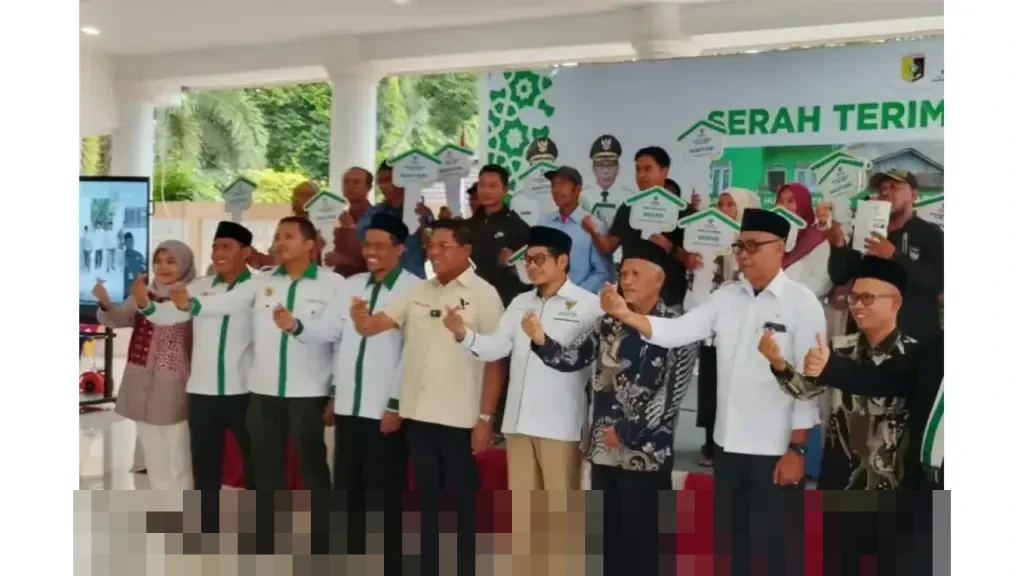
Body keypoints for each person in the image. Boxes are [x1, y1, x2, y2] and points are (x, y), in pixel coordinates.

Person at [603, 208, 824, 576]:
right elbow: (678, 331)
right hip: (729, 445)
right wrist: (627, 315)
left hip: (774, 450)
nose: (744, 255)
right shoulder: (727, 296)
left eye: (754, 246)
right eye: (740, 246)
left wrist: (797, 449)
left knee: (773, 551)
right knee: (732, 548)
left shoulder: (802, 303)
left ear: (780, 247)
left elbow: (809, 384)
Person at [528, 240, 696, 576]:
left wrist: (626, 432)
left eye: (635, 274)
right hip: (604, 453)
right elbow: (572, 358)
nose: (627, 280)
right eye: (623, 273)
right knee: (605, 544)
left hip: (646, 456)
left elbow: (669, 398)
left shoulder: (679, 328)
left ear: (659, 280)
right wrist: (540, 339)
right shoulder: (607, 323)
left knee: (644, 548)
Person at [348, 218, 504, 576]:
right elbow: (372, 326)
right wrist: (360, 318)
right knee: (427, 499)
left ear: (466, 250)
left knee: (462, 501)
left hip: (461, 418)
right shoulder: (419, 290)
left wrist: (485, 418)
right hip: (418, 415)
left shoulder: (484, 294)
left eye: (443, 246)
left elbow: (496, 360)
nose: (434, 253)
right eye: (431, 246)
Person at [277, 212, 418, 566]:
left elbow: (412, 354)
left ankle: (389, 559)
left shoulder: (414, 290)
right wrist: (295, 326)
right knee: (347, 485)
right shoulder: (351, 285)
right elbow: (331, 333)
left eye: (380, 245)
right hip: (349, 406)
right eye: (367, 244)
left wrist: (396, 404)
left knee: (383, 488)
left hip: (384, 408)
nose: (371, 252)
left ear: (399, 249)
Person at [170, 216, 344, 490]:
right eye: (278, 237)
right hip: (263, 393)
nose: (280, 243)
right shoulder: (262, 281)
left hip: (308, 391)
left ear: (309, 244)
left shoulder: (333, 283)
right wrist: (191, 304)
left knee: (311, 466)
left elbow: (335, 333)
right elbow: (229, 301)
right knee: (265, 468)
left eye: (288, 237)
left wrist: (297, 327)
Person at [768, 256, 918, 490]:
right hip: (838, 477)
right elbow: (806, 392)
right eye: (853, 297)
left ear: (895, 303)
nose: (857, 306)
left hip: (890, 482)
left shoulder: (914, 355)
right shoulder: (840, 348)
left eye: (867, 298)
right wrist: (780, 366)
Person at [142, 222, 257, 494]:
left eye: (226, 247)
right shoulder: (200, 286)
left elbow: (231, 303)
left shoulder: (258, 285)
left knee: (255, 461)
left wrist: (189, 304)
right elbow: (171, 315)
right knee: (204, 464)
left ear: (246, 252)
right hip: (202, 391)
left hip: (244, 390)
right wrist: (145, 305)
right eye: (215, 247)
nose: (218, 253)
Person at [93, 240, 197, 490]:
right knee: (154, 457)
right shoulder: (144, 293)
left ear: (185, 264)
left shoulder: (194, 296)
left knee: (179, 458)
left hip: (176, 385)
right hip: (140, 383)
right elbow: (120, 319)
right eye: (158, 261)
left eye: (171, 261)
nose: (163, 267)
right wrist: (106, 303)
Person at [687, 187, 762, 467]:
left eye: (731, 205)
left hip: (742, 328)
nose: (725, 210)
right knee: (711, 384)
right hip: (713, 327)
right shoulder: (706, 239)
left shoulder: (753, 246)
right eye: (721, 204)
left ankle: (737, 445)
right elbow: (695, 282)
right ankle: (710, 440)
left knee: (738, 384)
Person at [826, 169, 943, 342]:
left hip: (916, 337)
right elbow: (841, 276)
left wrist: (894, 256)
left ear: (914, 195)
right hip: (868, 338)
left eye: (894, 187)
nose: (885, 192)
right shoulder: (866, 230)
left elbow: (938, 282)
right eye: (882, 189)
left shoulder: (930, 233)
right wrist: (838, 246)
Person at [582, 147, 702, 308]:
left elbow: (693, 262)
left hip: (667, 301)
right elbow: (608, 246)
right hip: (628, 299)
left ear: (664, 171)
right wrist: (593, 230)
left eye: (647, 169)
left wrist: (667, 245)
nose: (641, 175)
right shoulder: (628, 207)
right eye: (638, 170)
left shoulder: (684, 211)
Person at [465, 164, 532, 306]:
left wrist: (514, 263)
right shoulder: (467, 226)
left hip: (505, 303)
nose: (486, 191)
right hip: (471, 302)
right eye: (482, 185)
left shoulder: (517, 227)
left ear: (505, 189)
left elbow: (531, 275)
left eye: (493, 186)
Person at [538, 166, 611, 293]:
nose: (556, 189)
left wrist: (574, 295)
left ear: (577, 190)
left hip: (579, 299)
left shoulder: (594, 226)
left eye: (563, 184)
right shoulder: (543, 223)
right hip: (546, 297)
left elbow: (602, 273)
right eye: (554, 185)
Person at [355, 161, 434, 278]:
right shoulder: (373, 213)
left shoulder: (422, 212)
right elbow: (361, 241)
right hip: (383, 279)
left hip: (413, 278)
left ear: (402, 181)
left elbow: (431, 246)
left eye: (388, 180)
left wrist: (423, 221)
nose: (383, 185)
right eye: (380, 181)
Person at [246, 181, 324, 269]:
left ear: (318, 199)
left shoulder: (324, 229)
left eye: (303, 195)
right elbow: (272, 263)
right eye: (294, 195)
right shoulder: (286, 225)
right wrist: (248, 253)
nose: (296, 199)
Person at [776, 182, 832, 298]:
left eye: (790, 201)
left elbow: (822, 282)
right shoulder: (771, 237)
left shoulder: (817, 240)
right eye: (780, 201)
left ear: (803, 204)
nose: (783, 207)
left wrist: (788, 297)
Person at [325, 167, 374, 277]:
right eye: (346, 182)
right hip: (338, 280)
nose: (350, 186)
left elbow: (378, 255)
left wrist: (351, 228)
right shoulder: (339, 216)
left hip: (365, 281)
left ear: (369, 187)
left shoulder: (378, 218)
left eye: (356, 182)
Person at [581, 134, 634, 227]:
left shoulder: (629, 198)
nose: (605, 171)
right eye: (601, 165)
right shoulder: (582, 196)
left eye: (610, 165)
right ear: (593, 168)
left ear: (617, 168)